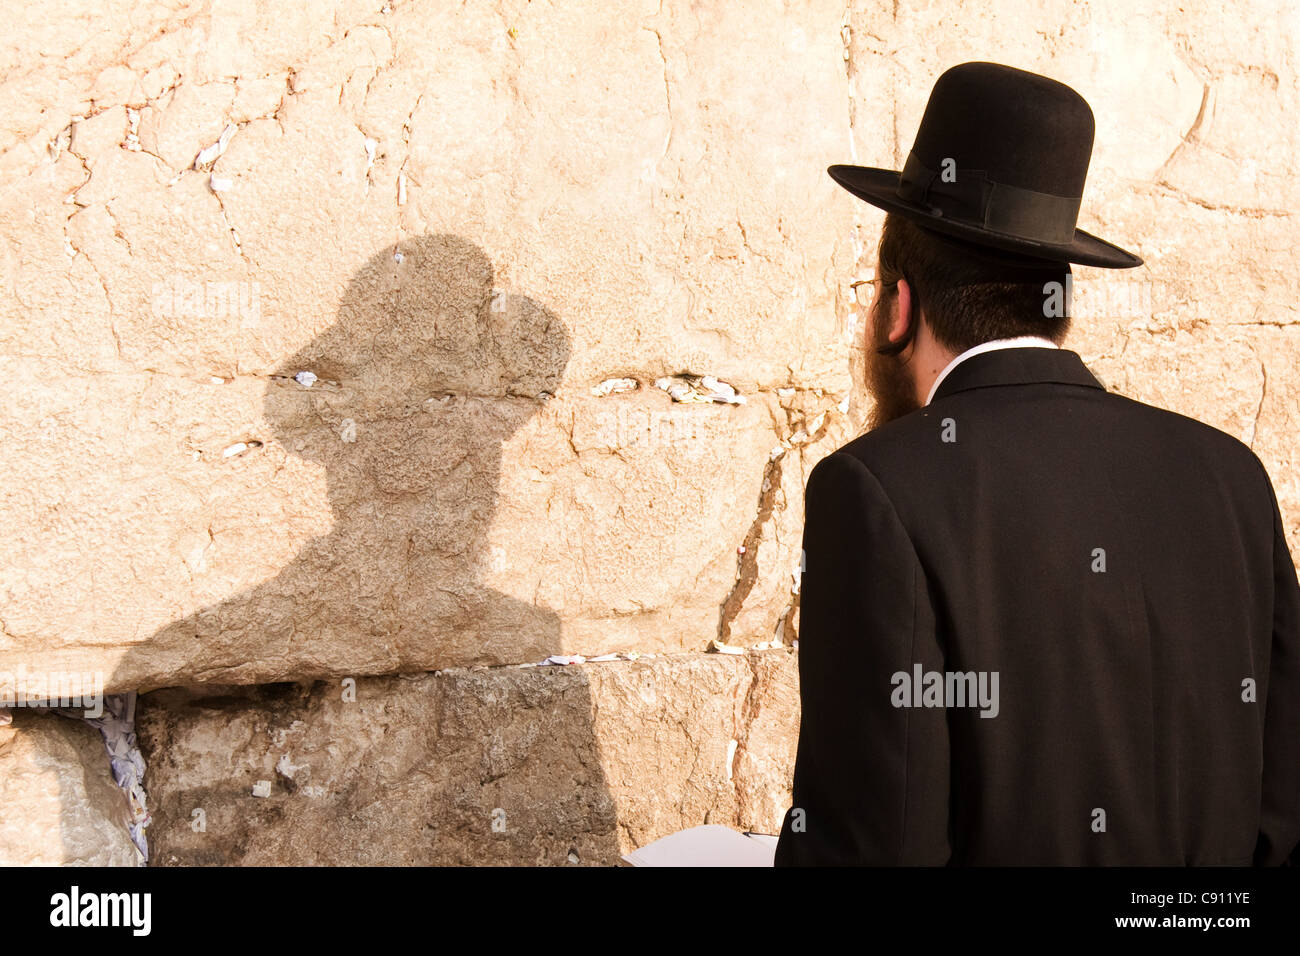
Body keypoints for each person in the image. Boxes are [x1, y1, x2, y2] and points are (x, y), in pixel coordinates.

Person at [774, 61, 1300, 866]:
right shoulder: (1231, 477)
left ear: (899, 306)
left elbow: (874, 843)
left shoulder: (873, 491)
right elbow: (1282, 808)